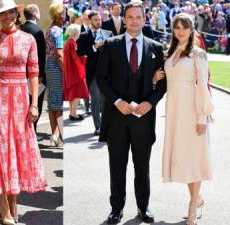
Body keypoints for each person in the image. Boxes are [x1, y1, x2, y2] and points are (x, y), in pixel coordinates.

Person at [0, 0, 47, 224]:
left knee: (18, 150)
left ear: (16, 13)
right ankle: (3, 203)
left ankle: (14, 201)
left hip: (22, 100)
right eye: (2, 14)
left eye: (10, 12)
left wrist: (34, 104)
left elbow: (33, 74)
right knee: (1, 150)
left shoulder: (29, 39)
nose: (7, 17)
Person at [96, 1, 166, 224]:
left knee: (142, 167)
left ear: (145, 19)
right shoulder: (110, 44)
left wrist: (150, 103)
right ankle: (116, 208)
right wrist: (116, 101)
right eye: (131, 17)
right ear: (123, 19)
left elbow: (164, 84)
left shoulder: (155, 47)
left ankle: (143, 208)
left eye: (139, 17)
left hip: (143, 119)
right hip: (116, 117)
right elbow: (101, 78)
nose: (135, 21)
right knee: (117, 166)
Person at [159, 13, 214, 225]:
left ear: (191, 30)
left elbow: (203, 86)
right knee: (183, 159)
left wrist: (202, 116)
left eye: (184, 27)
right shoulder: (171, 53)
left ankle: (192, 206)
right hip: (174, 112)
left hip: (192, 112)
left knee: (194, 159)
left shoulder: (198, 55)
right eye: (176, 27)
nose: (180, 31)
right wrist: (157, 77)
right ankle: (197, 198)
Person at [77, 10, 113, 135]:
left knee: (106, 101)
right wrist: (94, 47)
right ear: (90, 21)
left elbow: (115, 52)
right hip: (93, 74)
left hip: (107, 74)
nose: (98, 22)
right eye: (96, 20)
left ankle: (106, 125)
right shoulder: (84, 35)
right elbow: (80, 52)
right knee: (96, 100)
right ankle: (98, 127)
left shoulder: (108, 33)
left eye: (99, 19)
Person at [20, 4, 47, 138]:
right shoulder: (37, 31)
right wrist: (40, 75)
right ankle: (32, 133)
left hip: (20, 74)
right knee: (35, 105)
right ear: (35, 14)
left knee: (24, 104)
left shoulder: (20, 29)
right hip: (35, 74)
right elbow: (41, 56)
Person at [45, 3, 65, 147]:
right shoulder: (58, 31)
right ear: (59, 15)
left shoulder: (50, 29)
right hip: (57, 67)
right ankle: (58, 135)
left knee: (53, 103)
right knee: (59, 105)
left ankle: (55, 135)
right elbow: (59, 54)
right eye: (63, 13)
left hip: (49, 66)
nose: (65, 16)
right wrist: (66, 70)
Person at [63, 24, 89, 121]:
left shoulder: (68, 42)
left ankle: (72, 112)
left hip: (71, 70)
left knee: (72, 93)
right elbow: (76, 57)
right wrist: (85, 58)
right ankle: (73, 114)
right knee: (77, 93)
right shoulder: (72, 43)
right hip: (75, 71)